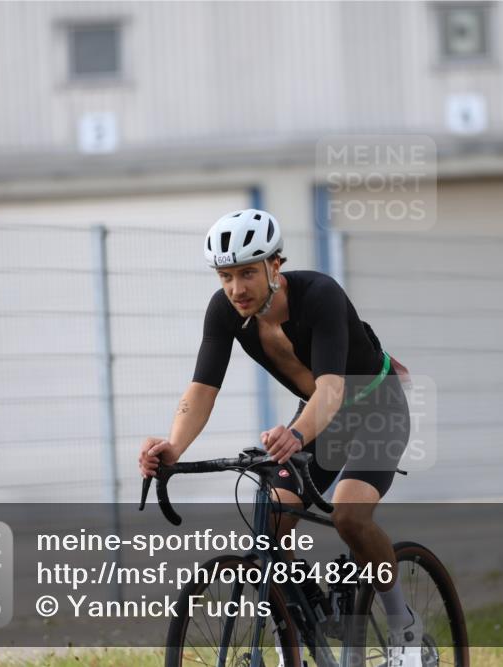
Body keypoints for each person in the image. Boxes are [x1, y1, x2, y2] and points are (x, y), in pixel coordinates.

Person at [138, 208, 422, 667]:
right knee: (272, 520)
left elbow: (333, 389)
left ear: (276, 265)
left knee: (350, 516)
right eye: (226, 276)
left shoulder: (321, 295)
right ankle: (307, 623)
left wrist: (294, 433)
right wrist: (173, 446)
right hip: (318, 415)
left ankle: (404, 625)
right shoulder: (225, 310)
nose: (237, 289)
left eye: (248, 273)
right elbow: (202, 390)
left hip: (374, 407)